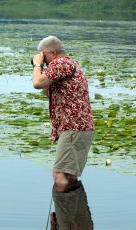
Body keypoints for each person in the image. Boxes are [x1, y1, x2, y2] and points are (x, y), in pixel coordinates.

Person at [32, 36, 95, 187]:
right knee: (69, 176)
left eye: (43, 56)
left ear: (52, 53)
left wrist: (36, 65)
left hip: (73, 127)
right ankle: (71, 210)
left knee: (60, 175)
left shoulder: (61, 63)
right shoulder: (68, 64)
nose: (43, 61)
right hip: (80, 128)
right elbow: (48, 91)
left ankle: (66, 210)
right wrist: (39, 69)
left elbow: (37, 83)